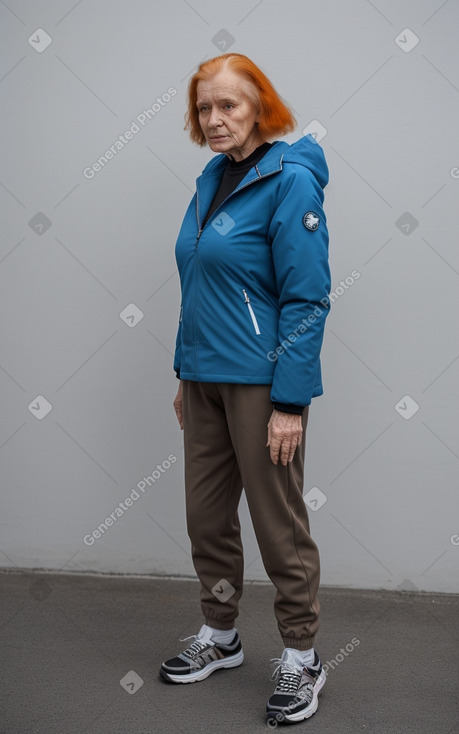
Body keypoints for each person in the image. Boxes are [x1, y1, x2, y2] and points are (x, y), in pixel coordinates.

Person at [159, 52, 331, 726]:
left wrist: (289, 402)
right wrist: (183, 369)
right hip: (203, 379)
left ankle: (302, 657)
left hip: (263, 385)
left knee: (277, 525)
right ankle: (221, 636)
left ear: (261, 105)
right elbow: (198, 282)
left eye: (228, 104)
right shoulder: (209, 178)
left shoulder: (290, 181)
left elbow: (307, 299)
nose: (214, 118)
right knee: (206, 517)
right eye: (204, 107)